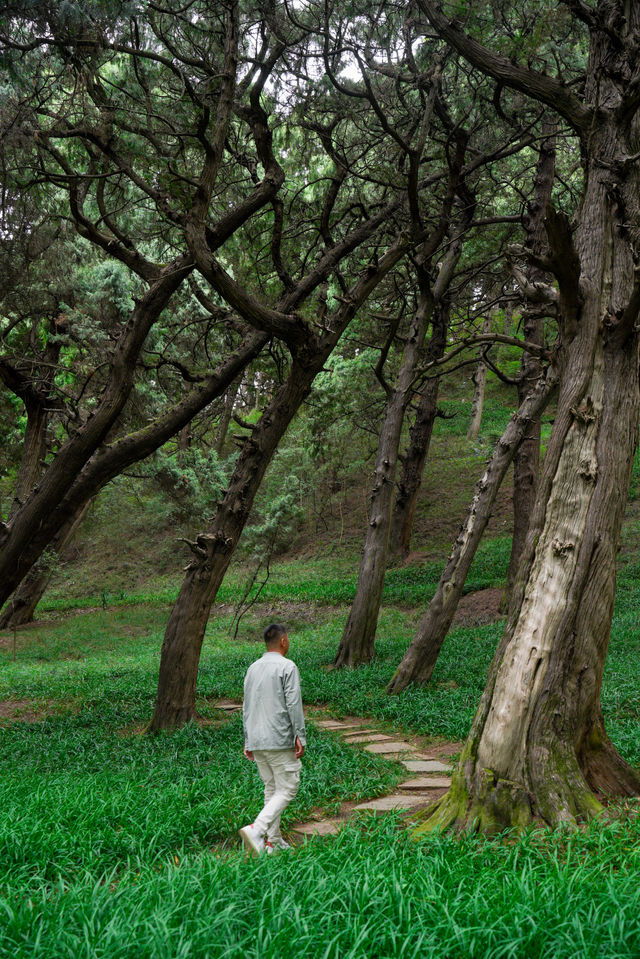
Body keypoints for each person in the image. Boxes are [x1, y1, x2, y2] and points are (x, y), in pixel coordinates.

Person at [239, 622, 306, 856]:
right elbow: (293, 704)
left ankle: (273, 842)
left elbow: (246, 707)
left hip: (257, 739)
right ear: (284, 641)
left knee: (272, 788)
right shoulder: (288, 667)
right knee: (288, 788)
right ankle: (257, 829)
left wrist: (248, 739)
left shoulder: (252, 668)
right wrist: (300, 735)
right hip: (279, 738)